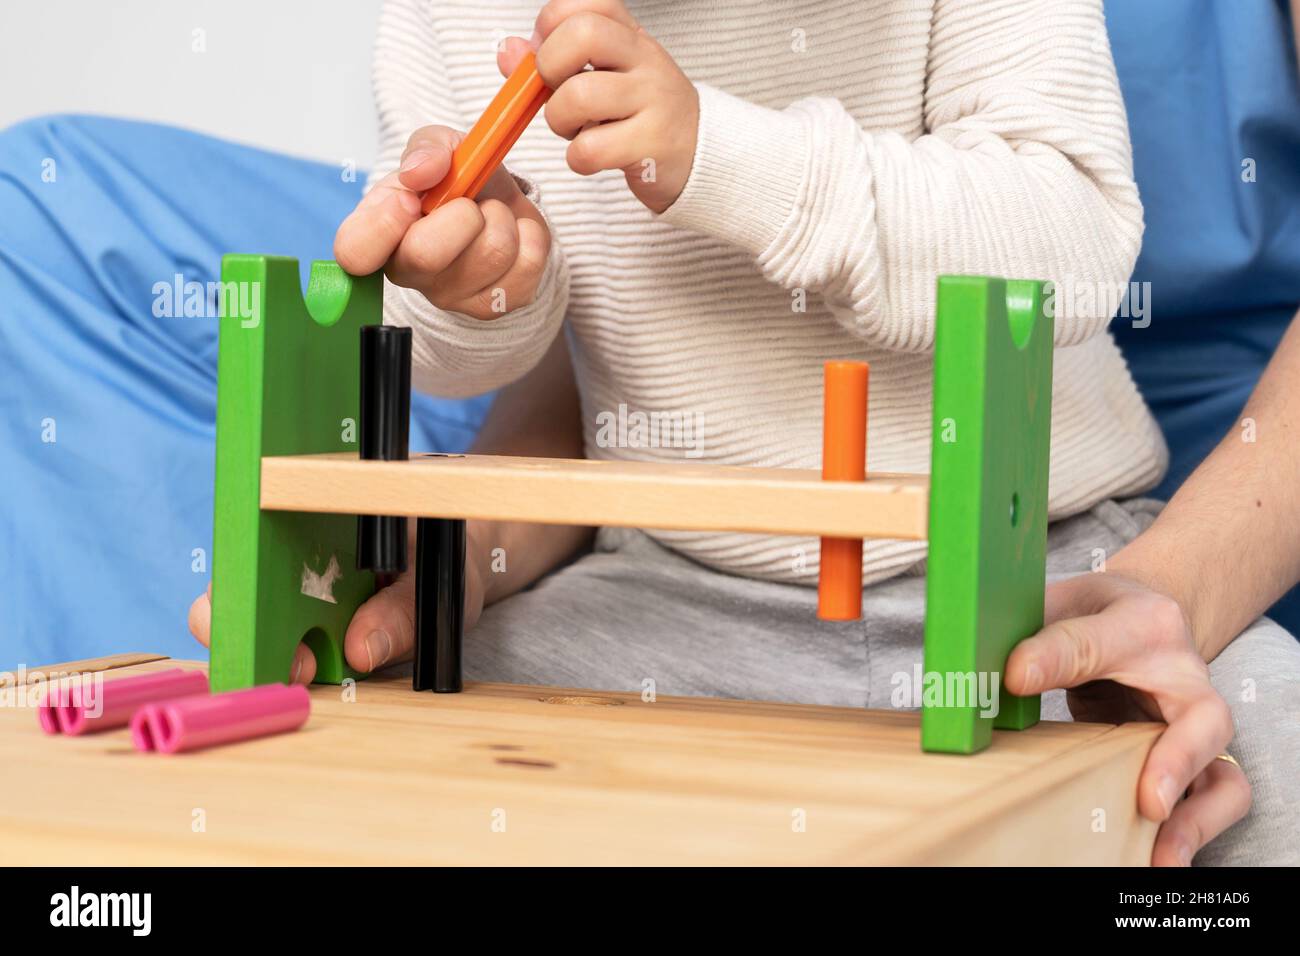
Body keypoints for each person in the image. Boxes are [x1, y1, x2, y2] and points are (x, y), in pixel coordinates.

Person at [187, 0, 1300, 864]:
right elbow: (472, 354)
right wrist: (477, 286)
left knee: (1256, 773)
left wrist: (721, 152)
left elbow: (1075, 240)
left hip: (1051, 584)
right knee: (382, 766)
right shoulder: (447, 21)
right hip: (657, 594)